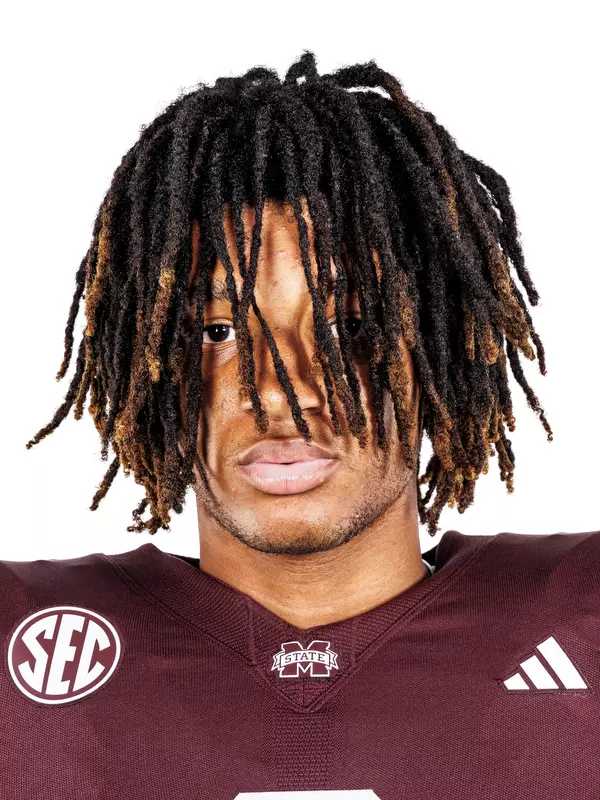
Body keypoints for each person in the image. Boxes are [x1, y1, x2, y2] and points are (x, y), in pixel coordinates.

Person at [3, 51, 597, 799]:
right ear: (144, 361)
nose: (282, 393)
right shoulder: (24, 640)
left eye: (349, 325)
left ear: (445, 348)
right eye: (216, 331)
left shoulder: (581, 610)